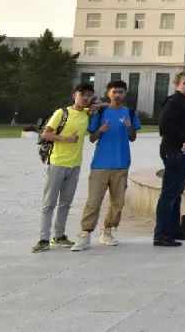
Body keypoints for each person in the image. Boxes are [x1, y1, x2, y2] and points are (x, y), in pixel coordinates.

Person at [72, 80, 139, 251]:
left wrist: (129, 127)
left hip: (121, 164)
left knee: (118, 202)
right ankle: (85, 234)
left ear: (125, 94)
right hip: (100, 165)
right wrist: (100, 130)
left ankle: (108, 231)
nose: (117, 95)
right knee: (93, 201)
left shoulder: (130, 113)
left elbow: (132, 138)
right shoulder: (100, 112)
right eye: (114, 92)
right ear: (108, 93)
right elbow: (92, 138)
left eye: (121, 92)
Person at [32, 83, 95, 253]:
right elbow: (45, 133)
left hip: (75, 165)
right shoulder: (62, 113)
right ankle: (43, 239)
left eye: (89, 95)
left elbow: (105, 105)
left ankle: (59, 236)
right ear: (74, 95)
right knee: (49, 203)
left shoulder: (87, 113)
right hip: (57, 163)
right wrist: (66, 139)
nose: (86, 98)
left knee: (65, 203)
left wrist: (95, 106)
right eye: (82, 94)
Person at [153, 72, 185, 247]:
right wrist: (184, 138)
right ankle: (161, 234)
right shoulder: (174, 101)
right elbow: (164, 125)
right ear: (177, 84)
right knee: (169, 193)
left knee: (177, 192)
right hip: (174, 152)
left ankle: (174, 230)